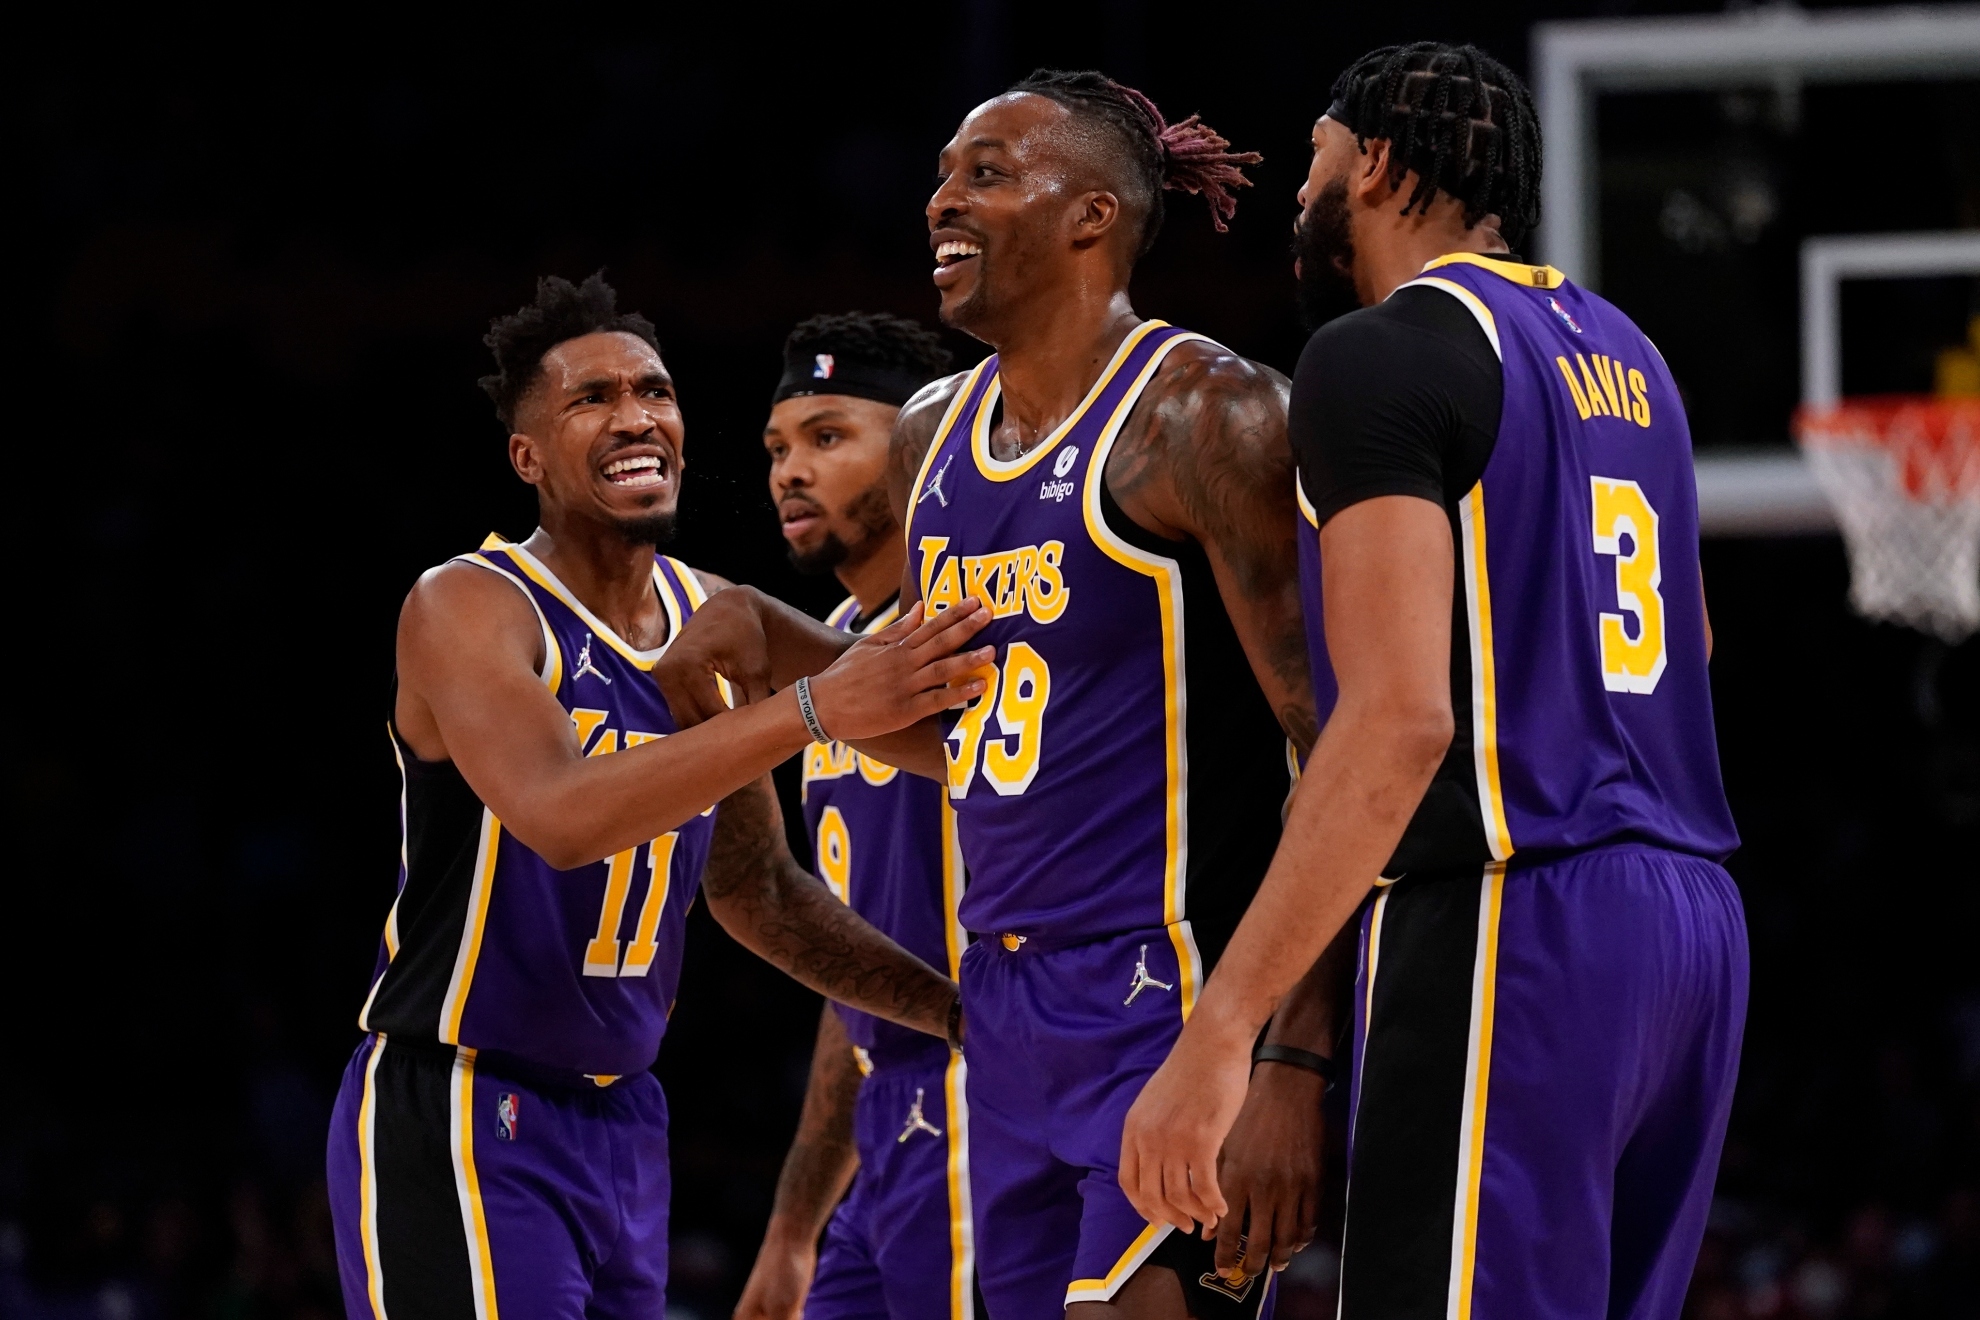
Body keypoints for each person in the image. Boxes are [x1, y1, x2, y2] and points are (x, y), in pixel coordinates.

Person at [662, 72, 1351, 1319]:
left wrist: (1295, 1056)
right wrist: (792, 653)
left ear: (1092, 216)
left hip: (1169, 989)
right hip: (1001, 1005)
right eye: (942, 173)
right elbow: (974, 732)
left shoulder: (1209, 415)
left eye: (985, 172)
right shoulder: (932, 431)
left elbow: (1342, 755)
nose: (943, 199)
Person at [1120, 44, 1747, 1320]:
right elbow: (1698, 646)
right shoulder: (1632, 359)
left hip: (1518, 913)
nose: (1299, 200)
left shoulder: (1377, 354)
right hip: (1690, 925)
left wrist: (1225, 1029)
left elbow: (1399, 720)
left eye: (1314, 164)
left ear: (1385, 169)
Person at [325, 273, 994, 1320]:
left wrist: (955, 1013)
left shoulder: (711, 613)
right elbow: (562, 817)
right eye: (591, 398)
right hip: (466, 1105)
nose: (636, 415)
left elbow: (760, 891)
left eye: (654, 391)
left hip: (627, 1125)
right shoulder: (469, 605)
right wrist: (804, 706)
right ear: (528, 457)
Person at [735, 311, 975, 1320]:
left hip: (982, 1087)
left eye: (829, 437)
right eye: (779, 449)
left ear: (923, 443)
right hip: (889, 1120)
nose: (791, 470)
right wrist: (792, 1230)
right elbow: (851, 965)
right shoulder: (824, 646)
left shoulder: (971, 622)